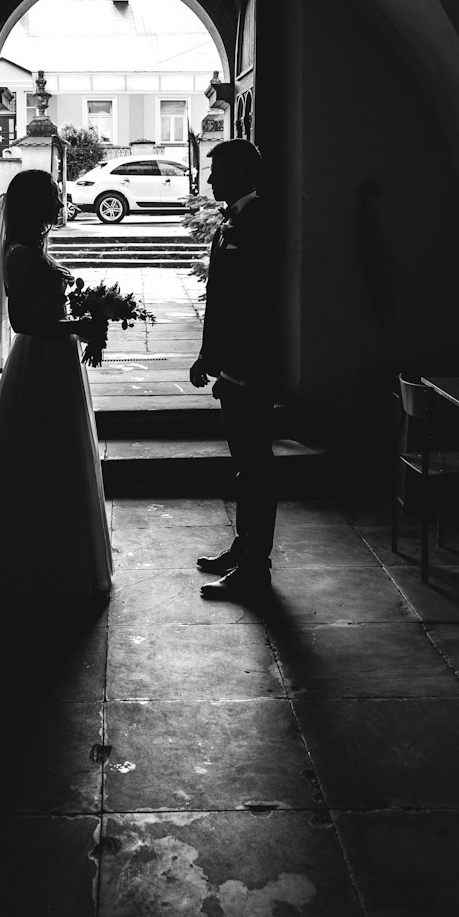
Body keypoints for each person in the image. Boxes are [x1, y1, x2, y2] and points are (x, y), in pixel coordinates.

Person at [0, 168, 112, 607]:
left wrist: (81, 321)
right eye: (51, 194)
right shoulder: (20, 253)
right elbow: (23, 322)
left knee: (58, 453)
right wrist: (80, 323)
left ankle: (58, 554)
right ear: (34, 204)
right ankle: (33, 563)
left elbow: (46, 310)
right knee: (38, 454)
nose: (59, 200)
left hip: (56, 360)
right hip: (39, 362)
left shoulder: (35, 247)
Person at [189, 139, 284, 601]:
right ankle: (243, 548)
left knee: (257, 470)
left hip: (250, 369)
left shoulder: (260, 223)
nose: (210, 180)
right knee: (245, 468)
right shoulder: (233, 224)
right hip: (233, 367)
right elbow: (221, 301)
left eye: (219, 172)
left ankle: (255, 568)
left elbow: (255, 307)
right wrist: (208, 356)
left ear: (243, 174)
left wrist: (233, 369)